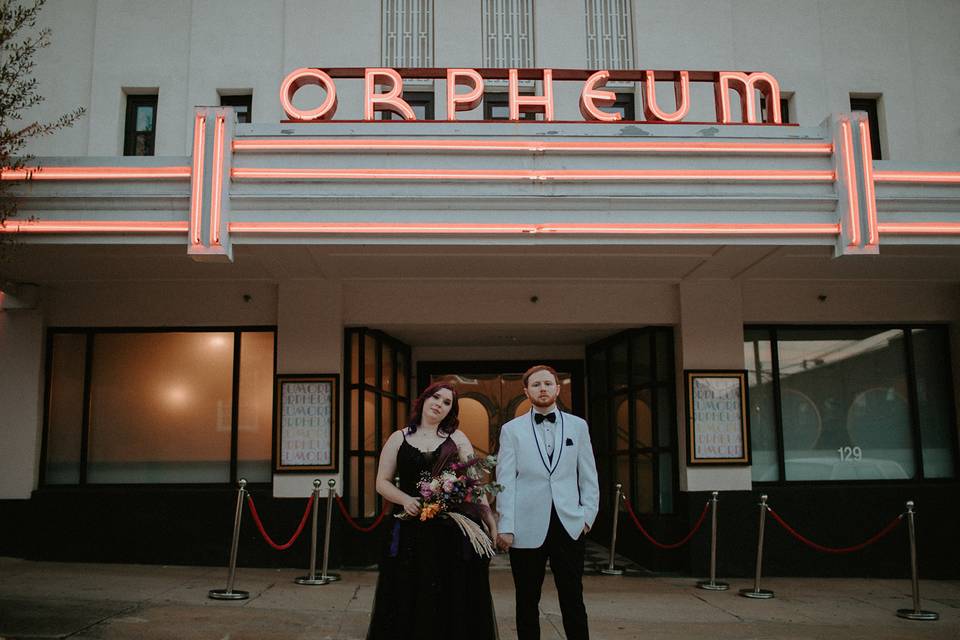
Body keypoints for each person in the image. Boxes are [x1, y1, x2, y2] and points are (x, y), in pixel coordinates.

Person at [367, 381, 499, 640]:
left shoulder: (457, 439)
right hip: (409, 529)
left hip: (451, 531)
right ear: (424, 400)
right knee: (409, 591)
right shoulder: (398, 438)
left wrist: (490, 519)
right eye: (435, 398)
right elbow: (381, 482)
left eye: (447, 402)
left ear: (451, 410)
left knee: (452, 593)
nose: (439, 404)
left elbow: (473, 482)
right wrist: (405, 499)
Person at [496, 365, 599, 640]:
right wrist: (505, 525)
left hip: (569, 523)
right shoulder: (511, 430)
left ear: (558, 388)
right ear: (526, 391)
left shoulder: (578, 426)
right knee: (527, 600)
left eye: (547, 384)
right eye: (536, 384)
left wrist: (587, 516)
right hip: (526, 525)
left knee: (573, 598)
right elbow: (505, 481)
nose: (543, 389)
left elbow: (589, 475)